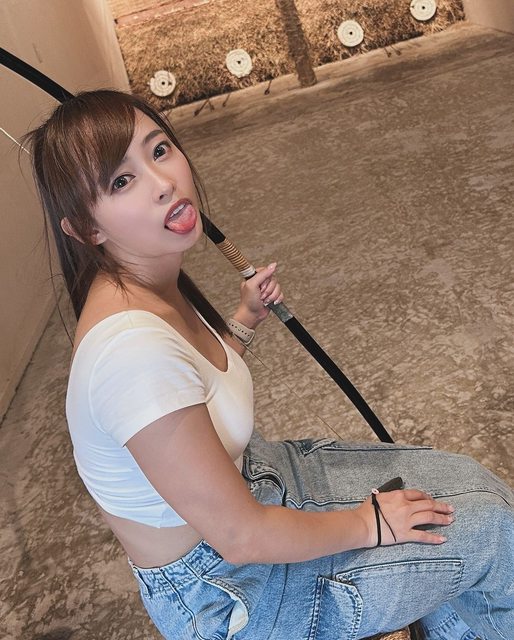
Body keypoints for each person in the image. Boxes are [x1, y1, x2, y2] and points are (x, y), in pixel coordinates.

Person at [26, 89, 513, 640]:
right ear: (86, 228)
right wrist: (369, 524)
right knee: (491, 529)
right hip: (232, 591)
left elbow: (196, 392)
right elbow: (242, 537)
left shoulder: (148, 280)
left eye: (159, 150)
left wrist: (243, 320)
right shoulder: (131, 351)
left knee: (470, 491)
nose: (162, 182)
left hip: (258, 486)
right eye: (121, 181)